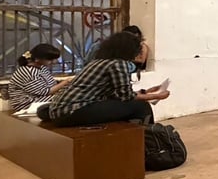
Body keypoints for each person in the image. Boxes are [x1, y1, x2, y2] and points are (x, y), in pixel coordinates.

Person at [41, 32, 170, 127]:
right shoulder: (118, 64)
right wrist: (154, 96)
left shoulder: (99, 61)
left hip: (59, 111)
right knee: (141, 107)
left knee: (135, 104)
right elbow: (126, 97)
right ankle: (150, 144)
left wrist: (144, 92)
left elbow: (116, 94)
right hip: (72, 112)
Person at [7, 44, 71, 113]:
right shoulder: (29, 72)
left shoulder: (42, 68)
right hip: (28, 104)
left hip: (41, 98)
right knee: (67, 99)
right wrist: (66, 82)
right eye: (50, 59)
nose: (54, 62)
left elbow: (52, 85)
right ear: (37, 59)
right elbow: (45, 92)